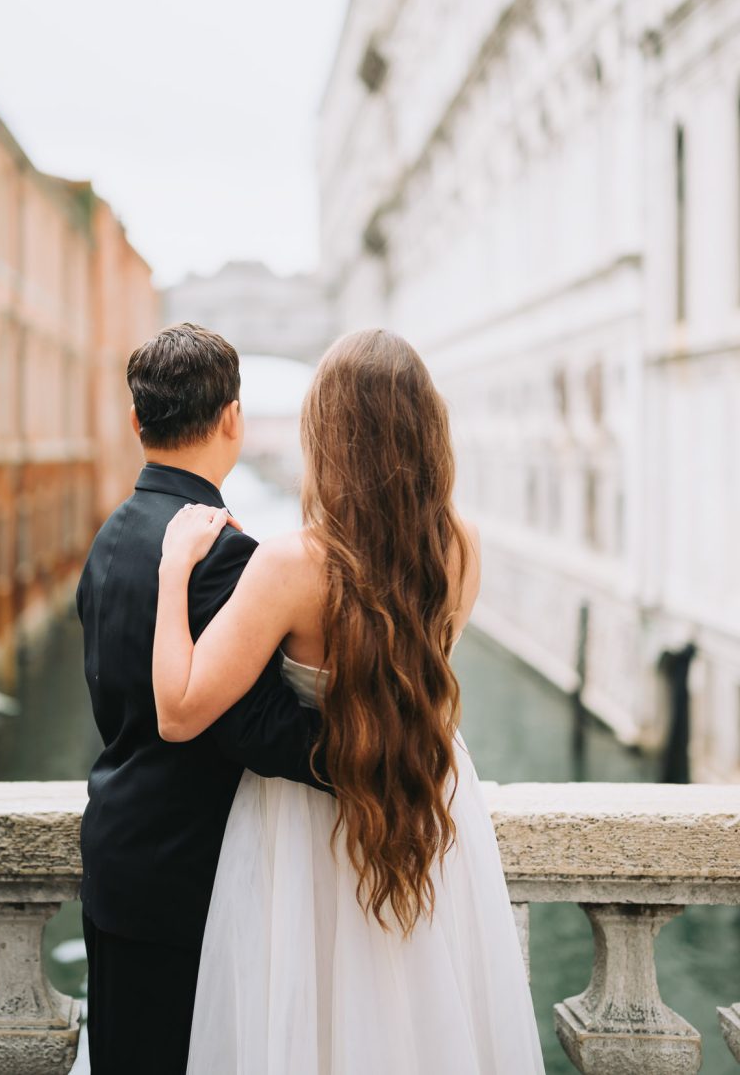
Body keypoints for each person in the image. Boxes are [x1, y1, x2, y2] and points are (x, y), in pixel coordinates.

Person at [153, 328, 545, 1075]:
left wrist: (176, 572)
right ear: (427, 429)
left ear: (326, 434)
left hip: (309, 824)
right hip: (429, 796)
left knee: (313, 1022)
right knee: (428, 1009)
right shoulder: (460, 545)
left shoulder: (291, 564)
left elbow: (179, 710)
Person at [76, 323, 328, 1075]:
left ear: (135, 423)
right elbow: (256, 731)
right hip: (190, 876)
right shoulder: (224, 554)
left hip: (118, 854)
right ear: (232, 419)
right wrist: (380, 750)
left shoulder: (110, 537)